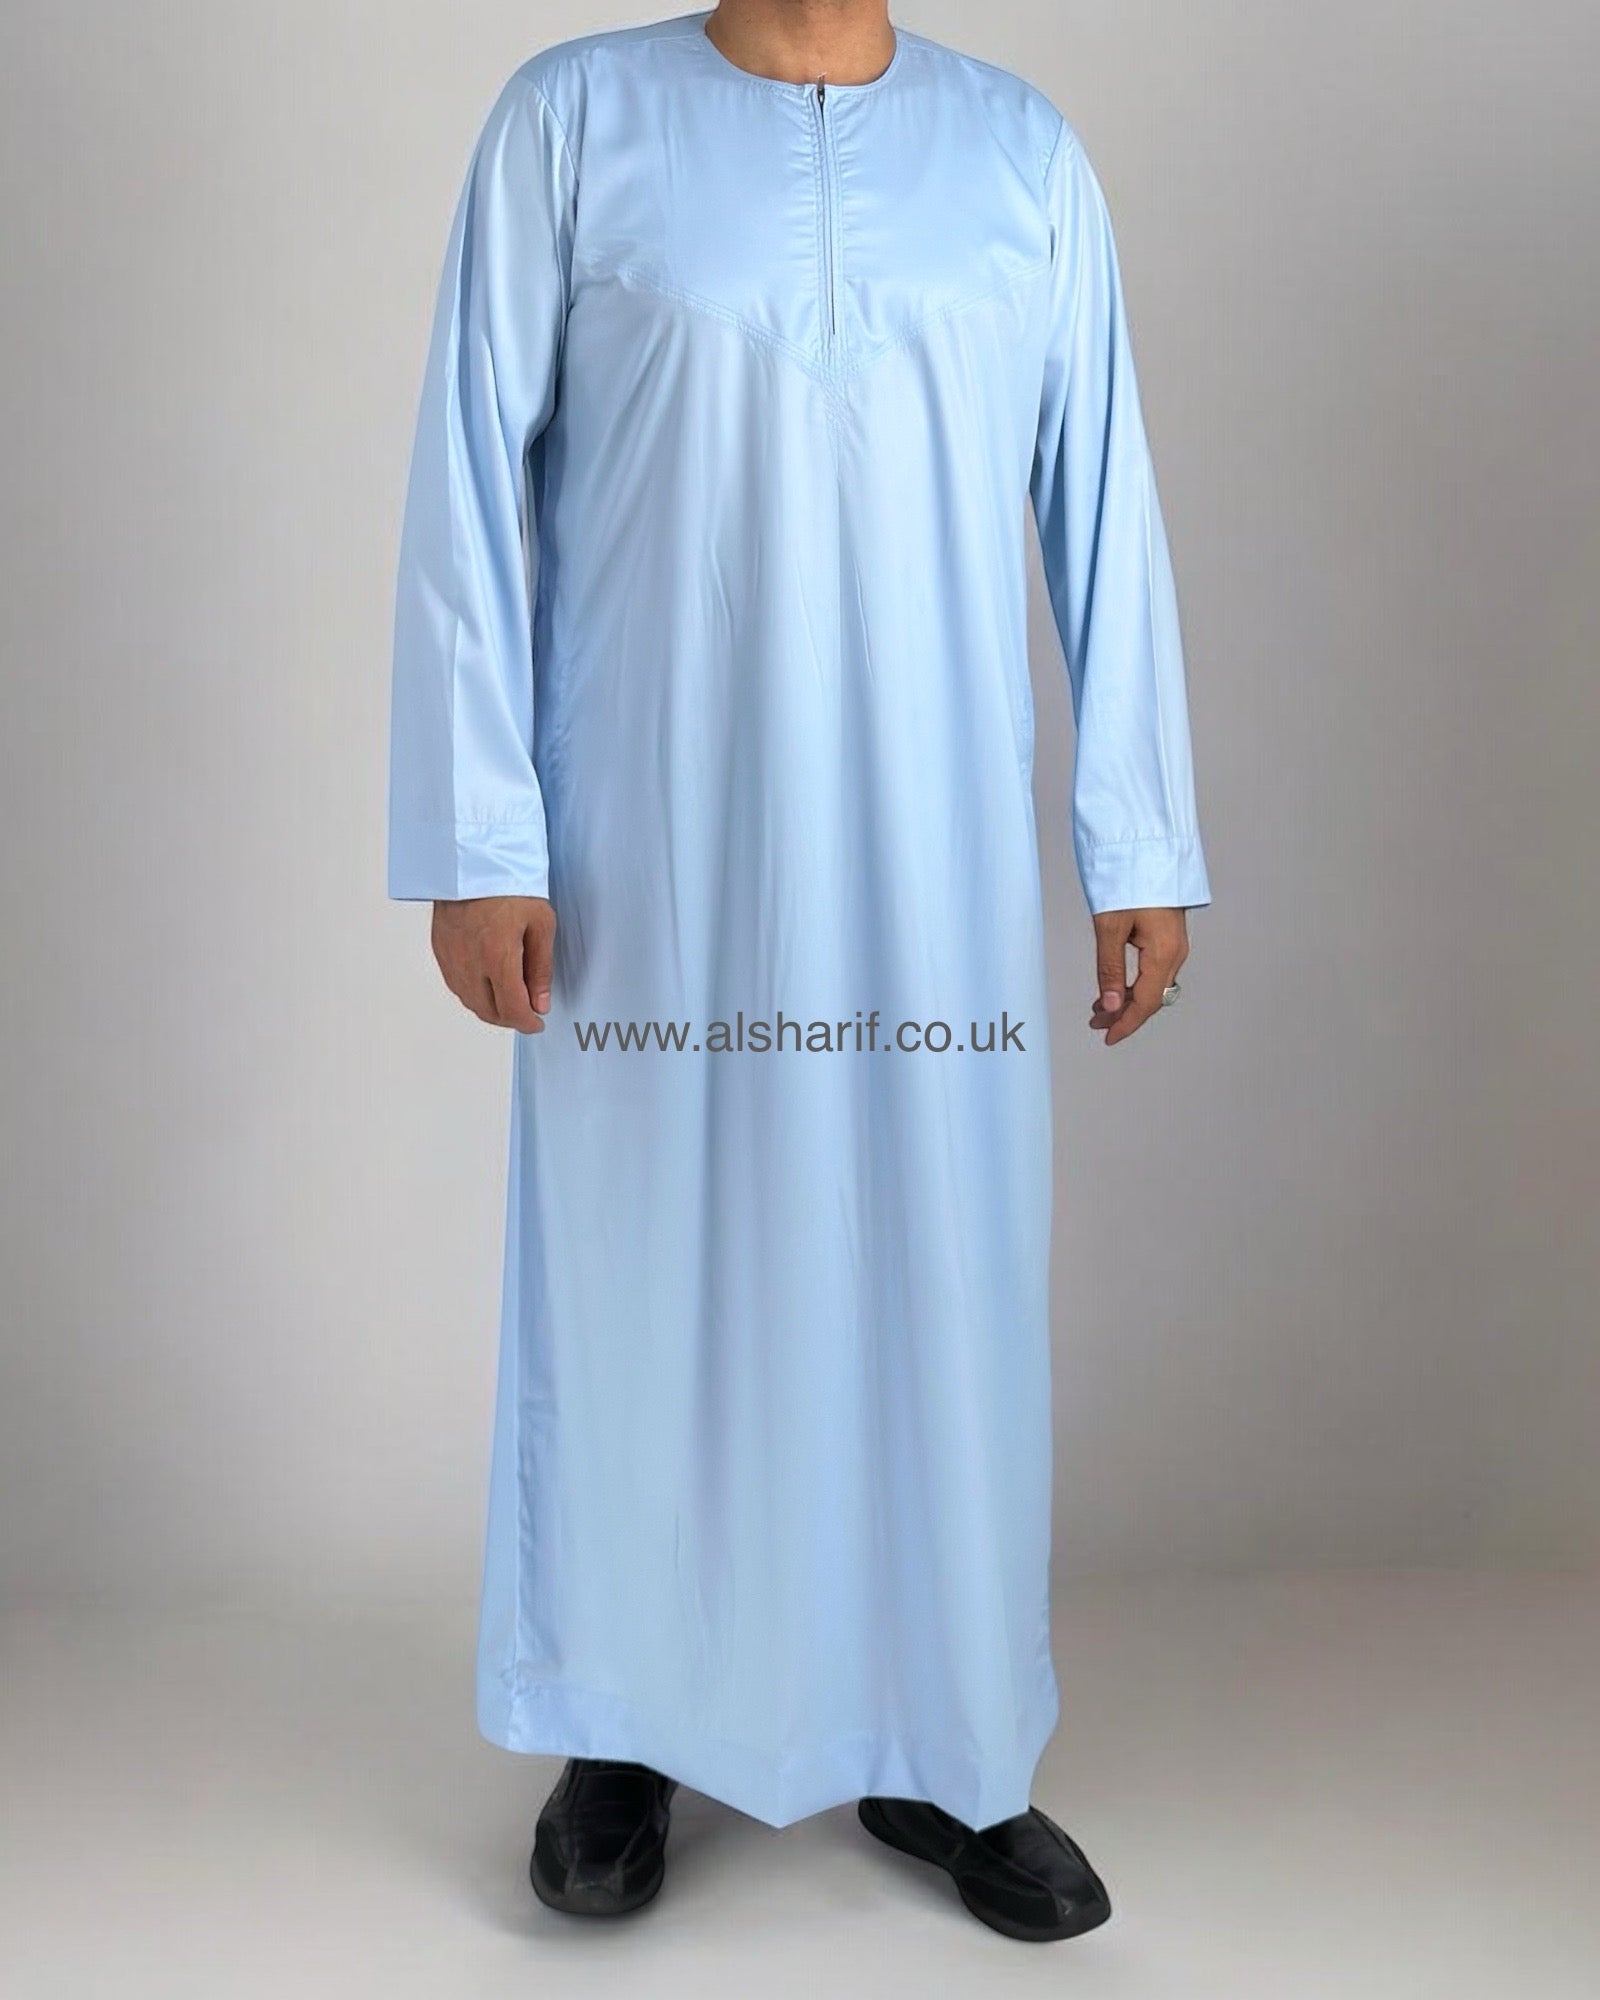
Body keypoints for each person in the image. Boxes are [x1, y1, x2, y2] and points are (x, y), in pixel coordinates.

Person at [388, 0, 1210, 1943]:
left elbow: (1100, 493)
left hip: (930, 842)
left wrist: (1138, 838)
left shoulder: (1018, 158)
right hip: (651, 841)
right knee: (644, 1267)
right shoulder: (575, 123)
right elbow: (465, 477)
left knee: (934, 1266)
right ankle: (617, 1727)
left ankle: (947, 1739)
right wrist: (482, 838)